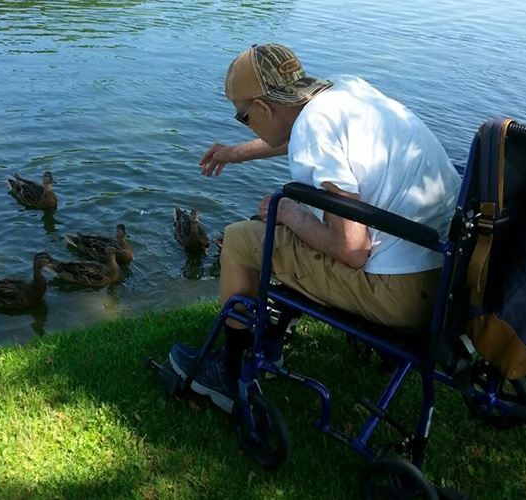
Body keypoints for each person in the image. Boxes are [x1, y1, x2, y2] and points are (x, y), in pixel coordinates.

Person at [169, 43, 462, 412]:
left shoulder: (314, 129)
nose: (244, 122)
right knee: (290, 226)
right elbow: (294, 133)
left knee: (242, 239)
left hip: (401, 297)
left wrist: (292, 215)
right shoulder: (345, 92)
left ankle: (229, 375)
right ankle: (271, 342)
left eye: (243, 117)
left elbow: (352, 250)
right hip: (447, 278)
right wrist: (235, 152)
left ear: (261, 107)